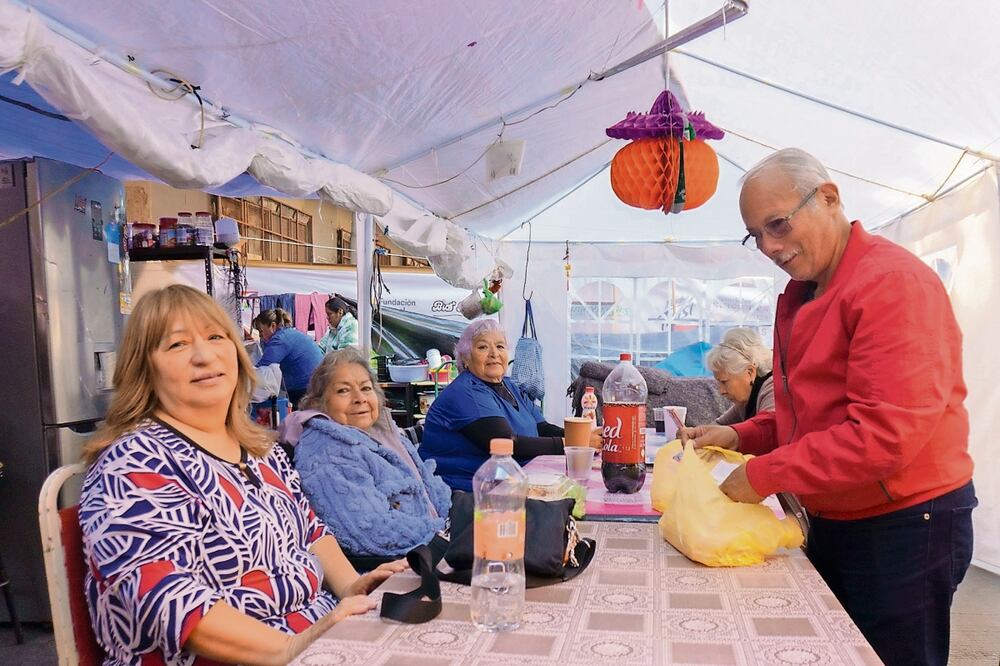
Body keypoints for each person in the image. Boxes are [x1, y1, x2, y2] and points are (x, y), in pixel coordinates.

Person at [679, 148, 976, 666]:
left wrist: (767, 473)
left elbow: (882, 435)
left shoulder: (890, 284)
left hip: (906, 521)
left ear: (829, 198)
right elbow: (809, 415)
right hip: (838, 511)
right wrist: (741, 436)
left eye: (778, 225)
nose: (770, 247)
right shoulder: (802, 293)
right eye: (757, 236)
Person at [79, 285, 405, 666]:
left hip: (315, 637)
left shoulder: (260, 450)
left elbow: (311, 532)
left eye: (216, 337)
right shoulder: (133, 462)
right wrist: (291, 648)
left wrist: (352, 588)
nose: (204, 355)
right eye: (177, 345)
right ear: (143, 369)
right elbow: (167, 599)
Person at [280, 348, 452, 558]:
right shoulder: (325, 450)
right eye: (343, 391)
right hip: (388, 569)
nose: (359, 398)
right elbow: (371, 532)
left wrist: (454, 520)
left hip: (431, 548)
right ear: (319, 401)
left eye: (366, 388)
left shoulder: (384, 432)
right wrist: (442, 536)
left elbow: (430, 491)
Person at [419, 319, 600, 491]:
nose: (494, 354)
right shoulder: (466, 392)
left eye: (500, 346)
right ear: (465, 358)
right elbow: (507, 444)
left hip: (509, 484)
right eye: (483, 347)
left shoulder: (510, 386)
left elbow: (542, 427)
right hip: (467, 493)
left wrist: (584, 436)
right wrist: (575, 444)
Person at [253, 307, 323, 409]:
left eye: (261, 331)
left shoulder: (279, 340)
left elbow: (262, 367)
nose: (260, 336)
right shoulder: (289, 333)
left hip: (306, 388)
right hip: (317, 383)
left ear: (273, 326)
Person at [705, 327, 774, 425]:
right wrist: (696, 433)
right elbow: (719, 426)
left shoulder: (773, 390)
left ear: (750, 372)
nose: (721, 391)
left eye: (724, 382)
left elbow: (765, 430)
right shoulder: (745, 399)